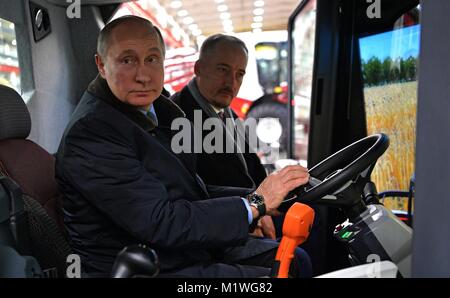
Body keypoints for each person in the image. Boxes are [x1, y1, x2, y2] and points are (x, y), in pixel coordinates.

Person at [55, 15, 312, 278]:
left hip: (180, 250)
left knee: (296, 259)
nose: (143, 75)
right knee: (284, 269)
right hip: (148, 267)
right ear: (101, 65)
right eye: (127, 60)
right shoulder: (92, 134)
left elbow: (191, 189)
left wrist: (260, 198)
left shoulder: (152, 111)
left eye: (152, 59)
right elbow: (162, 222)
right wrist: (255, 204)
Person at [171, 34, 275, 238]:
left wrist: (272, 196)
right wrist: (255, 211)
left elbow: (249, 163)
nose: (231, 82)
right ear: (198, 68)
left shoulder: (222, 109)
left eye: (239, 74)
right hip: (224, 224)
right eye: (223, 70)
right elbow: (198, 191)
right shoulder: (179, 117)